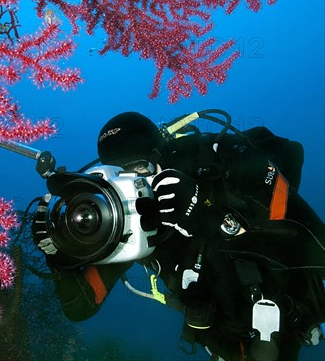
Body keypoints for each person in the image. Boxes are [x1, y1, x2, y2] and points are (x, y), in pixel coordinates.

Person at [32, 110, 325, 361]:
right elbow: (81, 306)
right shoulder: (129, 226)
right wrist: (57, 257)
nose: (131, 188)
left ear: (164, 160)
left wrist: (208, 217)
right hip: (223, 347)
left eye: (139, 169)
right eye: (117, 176)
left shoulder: (218, 173)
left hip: (289, 322)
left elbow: (316, 250)